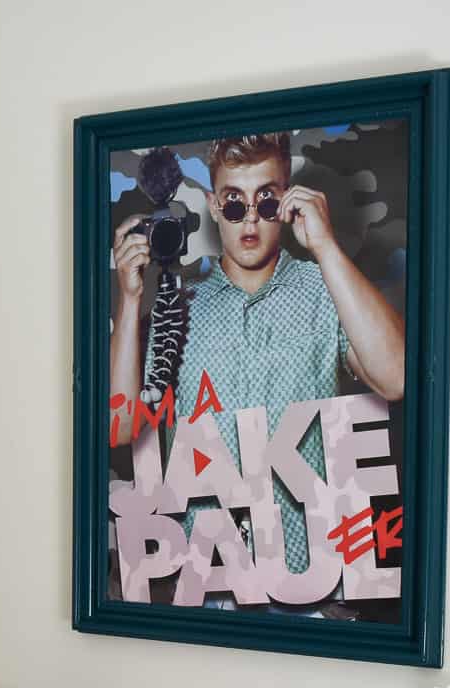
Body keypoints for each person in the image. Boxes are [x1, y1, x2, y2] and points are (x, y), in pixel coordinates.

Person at [109, 132, 405, 586]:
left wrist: (326, 247)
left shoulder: (325, 290)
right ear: (212, 205)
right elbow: (123, 426)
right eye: (233, 203)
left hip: (313, 586)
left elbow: (397, 378)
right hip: (208, 585)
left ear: (287, 200)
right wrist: (129, 301)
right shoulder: (177, 306)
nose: (249, 220)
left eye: (265, 201)